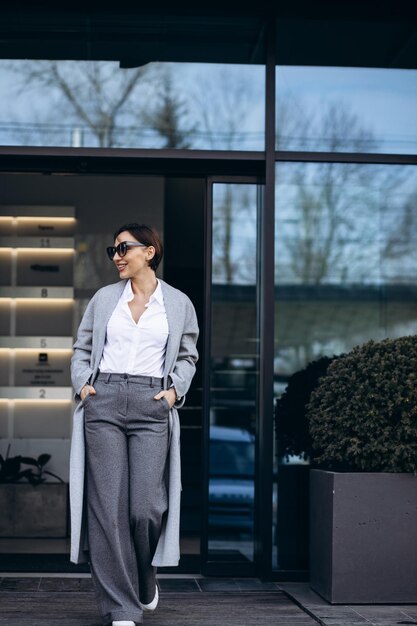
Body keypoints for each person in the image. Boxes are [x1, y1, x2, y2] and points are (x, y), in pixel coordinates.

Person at [69, 223, 199, 626]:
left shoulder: (177, 304)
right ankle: (120, 608)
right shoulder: (105, 299)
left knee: (145, 507)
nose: (116, 256)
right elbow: (83, 349)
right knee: (107, 508)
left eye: (124, 248)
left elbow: (187, 356)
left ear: (150, 251)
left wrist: (174, 391)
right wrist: (84, 387)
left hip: (151, 403)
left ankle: (144, 575)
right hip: (103, 400)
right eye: (113, 250)